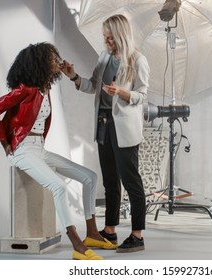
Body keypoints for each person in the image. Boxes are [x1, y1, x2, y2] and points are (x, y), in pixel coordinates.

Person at [0, 42, 116, 260]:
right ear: (39, 64)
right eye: (52, 59)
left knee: (90, 177)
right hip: (23, 150)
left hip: (40, 149)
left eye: (57, 57)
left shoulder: (44, 89)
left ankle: (92, 233)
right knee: (59, 188)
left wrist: (70, 73)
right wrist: (4, 142)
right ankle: (77, 244)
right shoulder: (24, 90)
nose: (57, 61)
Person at [60, 14, 150, 253]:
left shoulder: (138, 60)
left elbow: (142, 95)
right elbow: (92, 85)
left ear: (121, 36)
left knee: (131, 181)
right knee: (110, 182)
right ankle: (109, 231)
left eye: (110, 38)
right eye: (105, 37)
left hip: (124, 129)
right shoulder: (104, 57)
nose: (106, 42)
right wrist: (73, 76)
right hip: (103, 125)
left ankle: (137, 235)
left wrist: (121, 92)